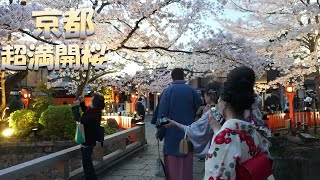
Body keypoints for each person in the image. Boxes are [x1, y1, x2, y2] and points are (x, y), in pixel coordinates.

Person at [204, 66, 272, 180]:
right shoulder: (254, 132)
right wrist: (217, 129)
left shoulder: (225, 137)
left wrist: (218, 132)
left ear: (224, 103)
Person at [155, 68, 201, 180]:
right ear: (184, 77)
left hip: (171, 135)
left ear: (172, 77)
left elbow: (162, 115)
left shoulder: (168, 91)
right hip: (187, 133)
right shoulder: (192, 91)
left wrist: (160, 132)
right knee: (186, 164)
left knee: (173, 168)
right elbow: (198, 109)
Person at [164, 81, 222, 159]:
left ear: (209, 96)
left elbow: (192, 129)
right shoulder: (218, 109)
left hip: (214, 147)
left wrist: (174, 123)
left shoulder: (210, 113)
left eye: (204, 94)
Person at [72, 94, 105, 180]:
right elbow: (86, 111)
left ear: (94, 102)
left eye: (92, 100)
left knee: (87, 164)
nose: (90, 101)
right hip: (90, 139)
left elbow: (79, 119)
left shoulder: (93, 115)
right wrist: (82, 103)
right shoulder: (95, 112)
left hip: (88, 141)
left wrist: (75, 107)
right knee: (88, 163)